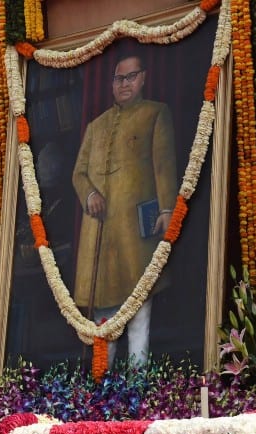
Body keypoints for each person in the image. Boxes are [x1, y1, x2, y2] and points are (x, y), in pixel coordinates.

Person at [72, 54, 177, 364]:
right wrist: (89, 192)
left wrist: (167, 210)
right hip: (100, 239)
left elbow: (164, 166)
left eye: (131, 77)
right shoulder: (95, 126)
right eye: (119, 79)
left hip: (136, 235)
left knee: (139, 311)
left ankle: (138, 385)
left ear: (143, 78)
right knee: (104, 315)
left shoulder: (155, 114)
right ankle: (102, 382)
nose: (125, 84)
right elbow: (78, 173)